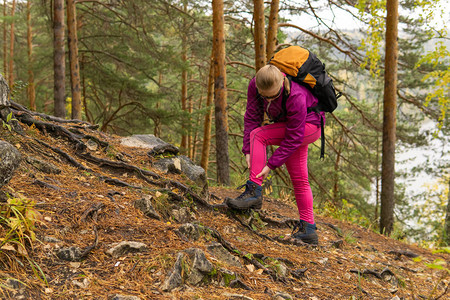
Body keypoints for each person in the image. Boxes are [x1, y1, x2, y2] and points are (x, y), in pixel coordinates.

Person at [226, 64, 324, 245]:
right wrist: (247, 149)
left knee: (260, 135)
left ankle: (254, 191)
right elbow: (252, 116)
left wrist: (271, 164)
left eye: (273, 96)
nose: (268, 99)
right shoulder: (254, 85)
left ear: (282, 82)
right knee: (299, 179)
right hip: (291, 126)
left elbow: (294, 137)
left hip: (309, 127)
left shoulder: (296, 95)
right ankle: (308, 230)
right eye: (265, 96)